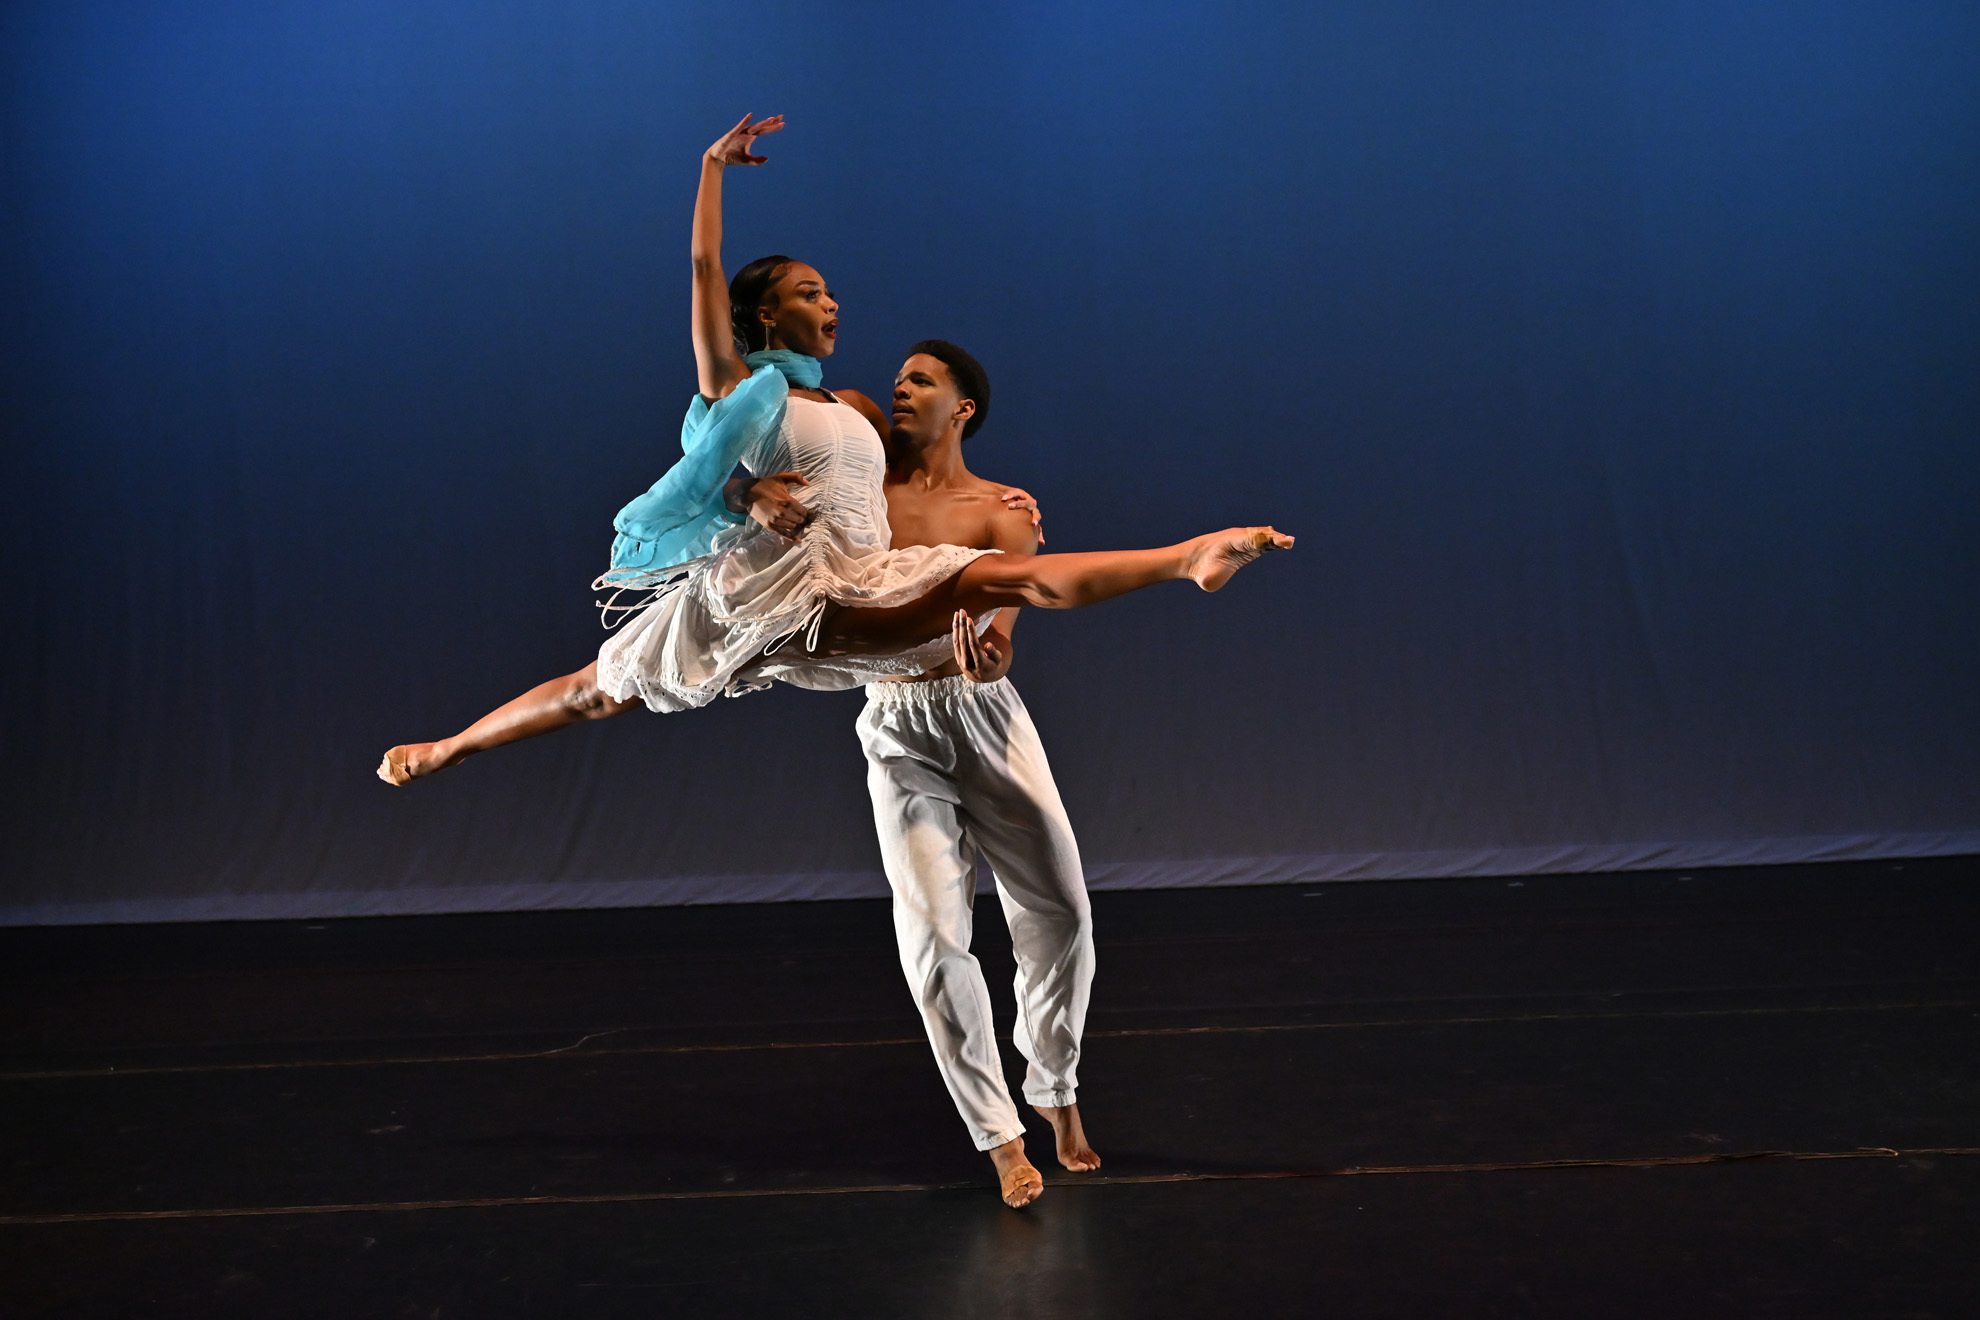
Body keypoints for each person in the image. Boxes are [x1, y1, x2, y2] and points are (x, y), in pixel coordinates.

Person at [377, 112, 1290, 786]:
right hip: (781, 593)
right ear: (769, 313)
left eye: (832, 294)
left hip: (856, 587)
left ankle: (1187, 560)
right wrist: (711, 168)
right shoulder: (737, 389)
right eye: (812, 293)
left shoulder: (849, 406)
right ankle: (448, 746)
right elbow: (703, 276)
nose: (832, 305)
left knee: (993, 573)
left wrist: (1003, 502)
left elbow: (912, 476)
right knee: (595, 690)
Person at [853, 341, 1097, 1211]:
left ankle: (1055, 1088)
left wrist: (992, 652)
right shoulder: (860, 492)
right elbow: (745, 468)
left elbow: (1002, 623)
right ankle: (999, 1137)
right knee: (930, 939)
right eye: (899, 378)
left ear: (962, 409)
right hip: (894, 722)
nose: (900, 386)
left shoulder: (1003, 508)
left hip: (985, 718)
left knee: (1061, 910)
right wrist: (751, 493)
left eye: (920, 379)